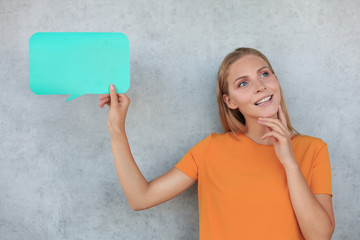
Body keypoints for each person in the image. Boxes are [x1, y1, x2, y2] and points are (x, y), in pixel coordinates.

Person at [98, 47, 335, 239]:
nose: (260, 86)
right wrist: (116, 128)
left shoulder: (313, 149)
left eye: (264, 74)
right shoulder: (211, 149)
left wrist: (289, 163)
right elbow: (141, 198)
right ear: (230, 101)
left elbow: (320, 236)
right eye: (243, 83)